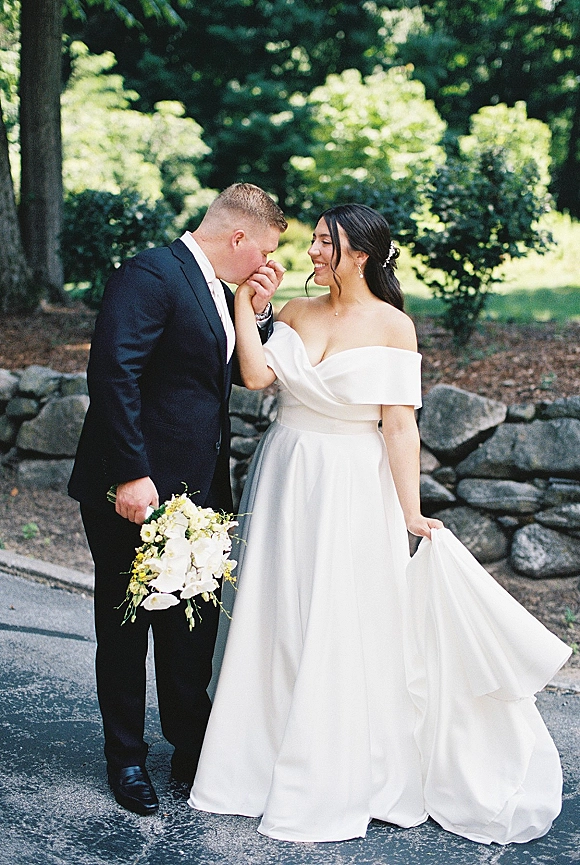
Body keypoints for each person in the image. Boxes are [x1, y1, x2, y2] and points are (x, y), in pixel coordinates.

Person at [189, 203, 571, 844]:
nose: (310, 250)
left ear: (358, 254)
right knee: (277, 610)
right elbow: (254, 376)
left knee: (344, 615)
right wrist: (247, 307)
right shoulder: (294, 312)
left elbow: (399, 425)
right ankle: (256, 762)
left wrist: (410, 511)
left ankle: (335, 767)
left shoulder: (394, 327)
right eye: (310, 239)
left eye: (322, 241)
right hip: (286, 470)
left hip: (351, 483)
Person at [68, 183, 287, 816]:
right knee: (125, 622)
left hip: (200, 489)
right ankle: (126, 758)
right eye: (267, 251)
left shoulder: (223, 289)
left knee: (191, 623)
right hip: (133, 489)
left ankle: (190, 747)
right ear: (238, 238)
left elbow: (216, 368)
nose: (270, 263)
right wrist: (133, 474)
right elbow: (114, 372)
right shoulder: (152, 273)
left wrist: (260, 308)